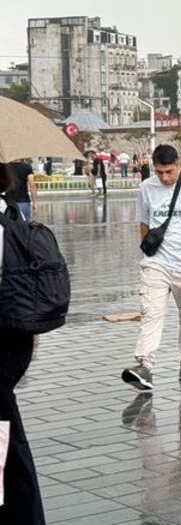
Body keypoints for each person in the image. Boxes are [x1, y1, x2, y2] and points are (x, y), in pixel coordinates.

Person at [122, 145, 181, 391]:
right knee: (151, 312)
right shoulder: (146, 188)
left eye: (169, 172)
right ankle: (144, 365)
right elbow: (143, 222)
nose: (164, 177)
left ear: (179, 165)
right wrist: (147, 249)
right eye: (159, 172)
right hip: (157, 264)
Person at [0, 165, 46, 524]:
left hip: (4, 340)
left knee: (7, 434)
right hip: (15, 340)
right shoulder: (9, 216)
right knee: (8, 431)